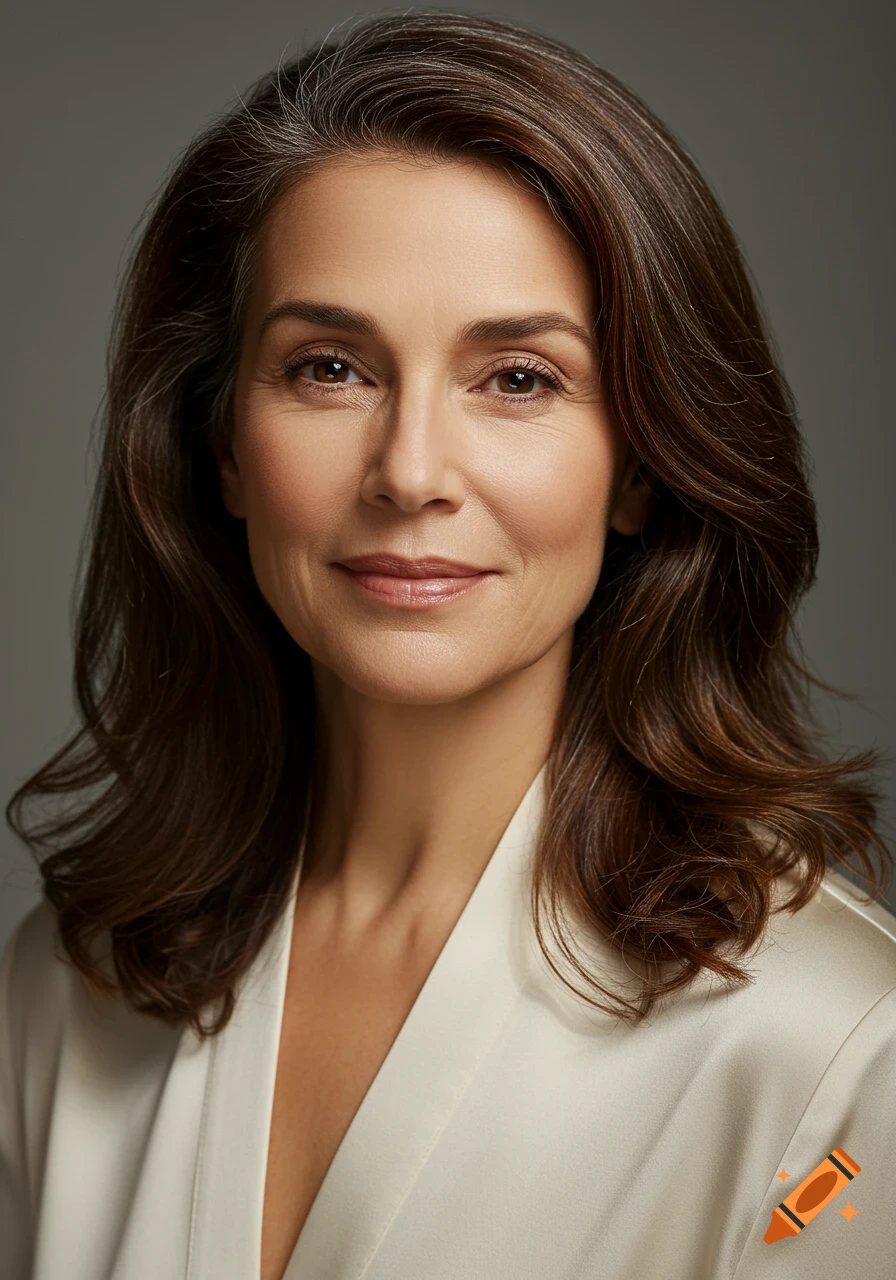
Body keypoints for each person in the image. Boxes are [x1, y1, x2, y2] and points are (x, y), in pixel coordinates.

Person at [1, 10, 894, 1280]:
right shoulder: (65, 989)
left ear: (638, 465)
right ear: (219, 447)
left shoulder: (834, 1048)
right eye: (328, 368)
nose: (411, 470)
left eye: (518, 378)